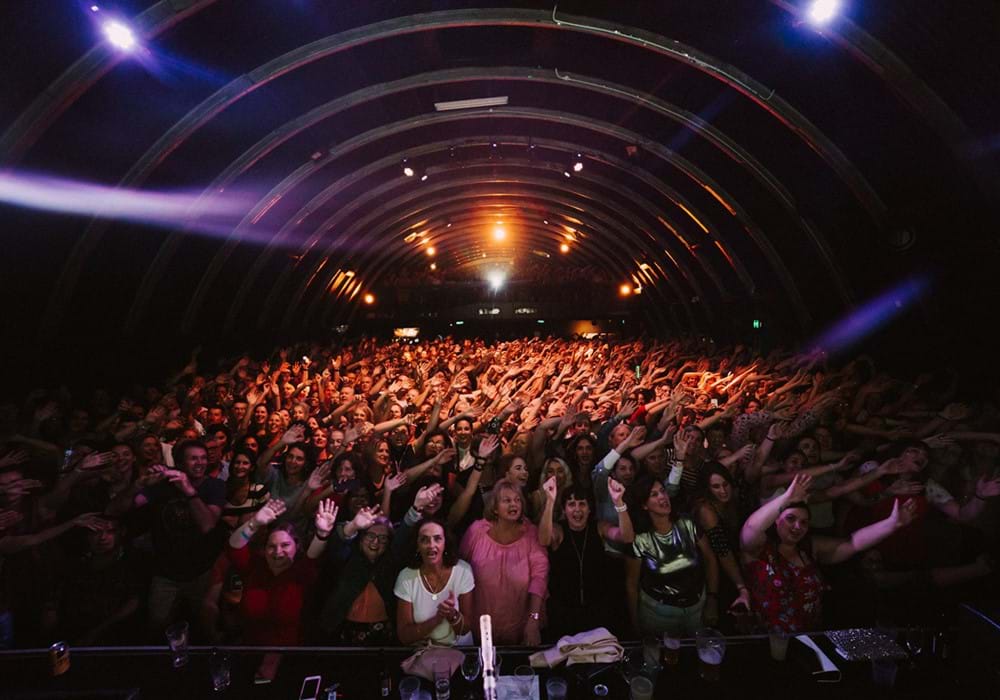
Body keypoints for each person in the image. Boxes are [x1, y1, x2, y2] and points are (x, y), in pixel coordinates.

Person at [741, 473, 917, 632]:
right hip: (765, 636)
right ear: (776, 520)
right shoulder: (759, 547)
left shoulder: (810, 547)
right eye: (790, 519)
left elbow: (853, 543)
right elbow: (751, 526)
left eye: (804, 522)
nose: (798, 526)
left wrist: (891, 525)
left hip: (809, 636)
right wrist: (786, 499)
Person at [108, 439, 226, 638]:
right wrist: (139, 484)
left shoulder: (214, 486)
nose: (200, 463)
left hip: (201, 571)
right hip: (165, 574)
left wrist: (188, 490)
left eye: (203, 458)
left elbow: (208, 525)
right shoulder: (162, 485)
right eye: (193, 459)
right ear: (179, 464)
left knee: (203, 626)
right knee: (157, 625)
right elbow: (114, 510)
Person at [227, 497, 334, 681]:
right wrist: (254, 523)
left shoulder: (301, 571)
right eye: (271, 546)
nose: (278, 552)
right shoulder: (255, 566)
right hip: (250, 655)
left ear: (296, 547)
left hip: (291, 660)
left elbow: (314, 556)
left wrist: (322, 534)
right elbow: (234, 547)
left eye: (285, 545)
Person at [624, 477, 720, 637]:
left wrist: (712, 599)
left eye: (662, 491)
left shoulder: (687, 523)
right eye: (654, 495)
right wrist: (635, 625)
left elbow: (710, 559)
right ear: (644, 505)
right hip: (658, 615)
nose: (662, 497)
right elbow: (631, 584)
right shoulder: (640, 539)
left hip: (697, 608)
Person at [541, 477, 633, 638]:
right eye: (571, 504)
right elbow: (543, 539)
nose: (577, 509)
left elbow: (627, 537)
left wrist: (619, 503)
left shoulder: (599, 527)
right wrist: (550, 501)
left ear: (590, 509)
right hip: (564, 612)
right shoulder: (559, 530)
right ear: (564, 510)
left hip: (596, 610)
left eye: (582, 504)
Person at [460, 478, 549, 645]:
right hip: (480, 627)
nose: (513, 504)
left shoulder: (531, 534)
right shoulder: (476, 532)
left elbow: (540, 579)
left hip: (520, 629)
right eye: (506, 500)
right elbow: (459, 571)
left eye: (517, 500)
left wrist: (533, 620)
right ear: (494, 508)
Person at [394, 517, 474, 645]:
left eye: (437, 539)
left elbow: (465, 629)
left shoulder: (463, 571)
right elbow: (404, 636)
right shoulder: (406, 577)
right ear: (417, 546)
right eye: (424, 540)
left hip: (460, 652)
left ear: (445, 543)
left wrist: (452, 615)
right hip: (423, 655)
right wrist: (437, 620)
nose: (431, 545)